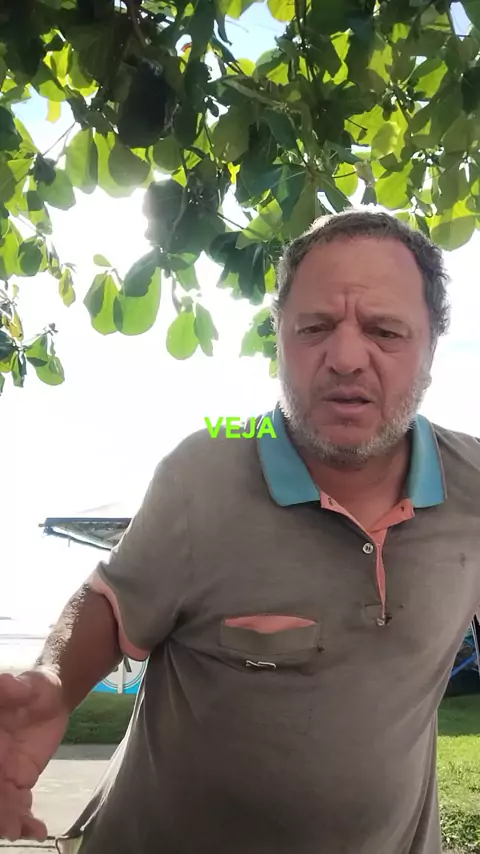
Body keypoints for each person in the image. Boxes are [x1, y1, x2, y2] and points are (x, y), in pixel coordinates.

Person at [1, 209, 480, 854]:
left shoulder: (473, 486)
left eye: (385, 330)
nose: (344, 358)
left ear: (432, 347)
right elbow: (114, 605)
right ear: (279, 336)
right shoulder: (203, 470)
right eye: (314, 328)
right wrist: (54, 684)